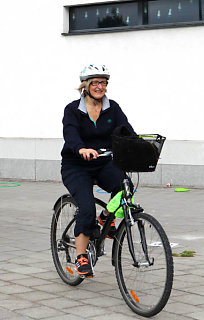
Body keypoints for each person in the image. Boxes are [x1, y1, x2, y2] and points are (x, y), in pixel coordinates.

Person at [60, 64, 135, 277]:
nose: (99, 86)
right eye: (95, 83)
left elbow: (126, 130)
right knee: (85, 207)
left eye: (103, 83)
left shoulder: (113, 108)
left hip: (103, 162)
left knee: (125, 186)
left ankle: (105, 218)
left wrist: (140, 146)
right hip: (76, 164)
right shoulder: (73, 109)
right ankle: (81, 255)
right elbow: (70, 133)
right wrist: (80, 148)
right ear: (85, 86)